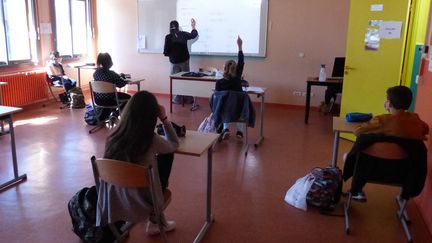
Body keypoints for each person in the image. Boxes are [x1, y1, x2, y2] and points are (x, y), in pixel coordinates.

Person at [97, 91, 179, 236]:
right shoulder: (150, 139)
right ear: (152, 115)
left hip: (116, 200)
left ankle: (122, 226)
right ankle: (155, 221)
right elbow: (174, 144)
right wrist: (164, 119)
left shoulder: (113, 136)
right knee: (167, 155)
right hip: (145, 203)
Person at [343, 85, 429, 201]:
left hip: (373, 170)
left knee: (362, 150)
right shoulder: (415, 119)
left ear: (388, 103)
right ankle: (403, 197)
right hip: (403, 173)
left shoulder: (381, 120)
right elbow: (425, 129)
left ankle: (356, 191)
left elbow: (358, 131)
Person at [215, 36, 245, 140]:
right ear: (236, 69)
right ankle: (239, 132)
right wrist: (240, 47)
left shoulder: (219, 82)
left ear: (224, 68)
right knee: (238, 107)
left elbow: (216, 98)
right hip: (238, 108)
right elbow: (241, 62)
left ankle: (226, 128)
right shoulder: (237, 79)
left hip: (226, 109)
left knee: (224, 105)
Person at [164, 18, 198, 104]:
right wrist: (193, 27)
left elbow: (165, 52)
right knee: (186, 79)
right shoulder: (183, 34)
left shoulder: (168, 37)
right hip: (185, 61)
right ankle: (189, 99)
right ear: (178, 27)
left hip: (174, 62)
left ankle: (177, 99)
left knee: (175, 81)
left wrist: (172, 54)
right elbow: (193, 35)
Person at [93, 52, 131, 120]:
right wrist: (124, 79)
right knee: (129, 98)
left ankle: (111, 113)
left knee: (116, 97)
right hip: (110, 100)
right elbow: (121, 84)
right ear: (109, 62)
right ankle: (115, 114)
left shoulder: (96, 73)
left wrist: (118, 76)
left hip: (98, 100)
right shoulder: (112, 74)